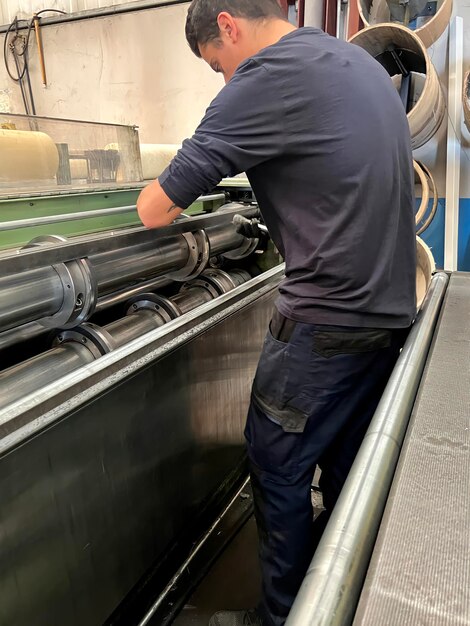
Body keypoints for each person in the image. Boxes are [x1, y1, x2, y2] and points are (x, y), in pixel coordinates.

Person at [136, 1, 416, 625]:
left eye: (216, 64)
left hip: (322, 325)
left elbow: (154, 208)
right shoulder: (363, 64)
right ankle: (338, 603)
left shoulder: (264, 79)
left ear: (229, 26)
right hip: (389, 317)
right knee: (349, 470)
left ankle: (282, 616)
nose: (223, 80)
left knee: (277, 464)